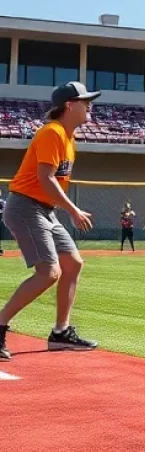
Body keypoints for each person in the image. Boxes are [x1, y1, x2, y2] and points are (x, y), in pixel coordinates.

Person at [0, 81, 101, 362]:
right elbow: (45, 179)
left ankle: (60, 332)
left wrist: (63, 209)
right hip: (25, 207)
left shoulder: (68, 138)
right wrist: (73, 210)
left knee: (73, 263)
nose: (89, 105)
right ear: (69, 105)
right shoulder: (52, 133)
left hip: (44, 210)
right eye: (85, 100)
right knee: (49, 272)